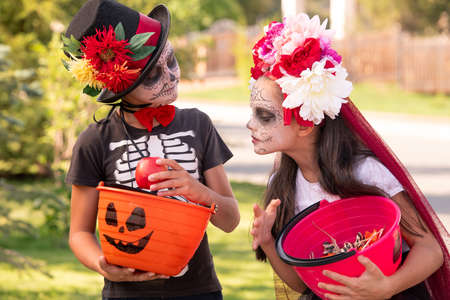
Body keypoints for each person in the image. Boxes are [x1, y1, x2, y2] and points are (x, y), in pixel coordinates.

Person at [248, 13, 449, 300]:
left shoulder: (365, 172)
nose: (250, 125)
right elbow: (303, 284)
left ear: (305, 123)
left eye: (264, 116)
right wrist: (267, 241)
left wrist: (387, 287)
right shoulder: (283, 184)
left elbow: (430, 250)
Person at [62, 0, 240, 299]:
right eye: (153, 76)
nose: (170, 77)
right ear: (121, 86)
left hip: (198, 290)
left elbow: (230, 219)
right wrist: (101, 264)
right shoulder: (96, 140)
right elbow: (79, 232)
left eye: (171, 61)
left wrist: (199, 192)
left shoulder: (198, 124)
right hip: (127, 293)